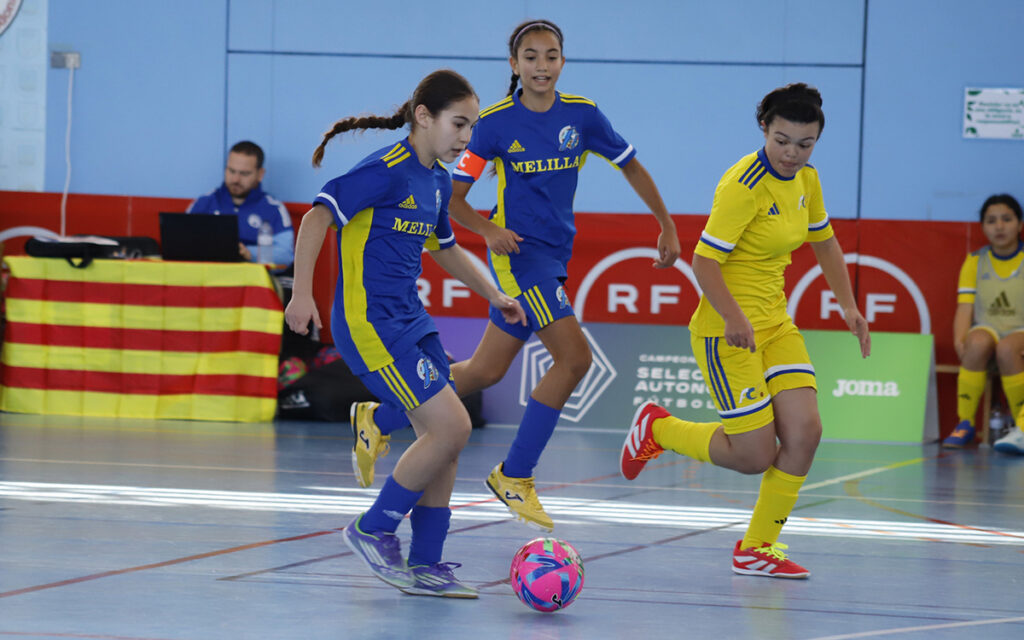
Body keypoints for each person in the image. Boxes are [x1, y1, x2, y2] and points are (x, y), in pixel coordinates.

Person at [348, 18, 681, 533]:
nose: (541, 66)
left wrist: (666, 224)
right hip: (521, 260)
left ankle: (378, 417)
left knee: (485, 372)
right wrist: (490, 230)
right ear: (514, 64)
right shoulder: (494, 123)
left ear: (563, 62)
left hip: (555, 255)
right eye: (530, 56)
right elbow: (455, 200)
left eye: (550, 56)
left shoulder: (583, 115)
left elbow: (631, 165)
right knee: (575, 359)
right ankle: (516, 474)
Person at [284, 69, 526, 598]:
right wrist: (301, 294)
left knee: (443, 442)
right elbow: (316, 219)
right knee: (452, 427)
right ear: (423, 116)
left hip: (412, 321)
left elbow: (445, 249)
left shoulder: (436, 180)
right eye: (459, 124)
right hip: (371, 325)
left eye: (473, 127)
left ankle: (427, 563)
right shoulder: (385, 170)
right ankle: (373, 529)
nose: (467, 137)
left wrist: (494, 295)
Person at [619, 83, 871, 579]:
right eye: (782, 140)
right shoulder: (744, 184)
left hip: (775, 324)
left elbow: (824, 241)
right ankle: (658, 428)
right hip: (726, 331)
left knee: (806, 432)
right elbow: (704, 261)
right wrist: (734, 317)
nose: (792, 153)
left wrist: (849, 305)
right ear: (764, 129)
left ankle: (757, 547)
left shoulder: (807, 179)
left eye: (805, 144)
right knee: (754, 456)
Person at [946, 193, 1024, 454]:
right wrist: (960, 340)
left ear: (1020, 224)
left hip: (1020, 330)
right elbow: (965, 306)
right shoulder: (975, 261)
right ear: (983, 227)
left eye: (1006, 219)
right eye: (991, 221)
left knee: (1007, 349)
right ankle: (965, 422)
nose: (999, 226)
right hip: (988, 326)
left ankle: (1020, 428)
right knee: (976, 342)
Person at [187, 140, 295, 267]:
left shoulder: (274, 209)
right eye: (231, 171)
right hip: (208, 275)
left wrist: (249, 253)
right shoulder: (204, 203)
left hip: (254, 277)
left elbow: (286, 254)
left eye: (244, 174)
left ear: (260, 174)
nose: (236, 179)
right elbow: (182, 243)